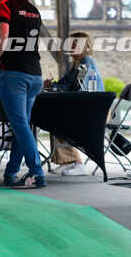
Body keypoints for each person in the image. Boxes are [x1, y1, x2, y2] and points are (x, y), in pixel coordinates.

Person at [0, 0, 45, 188]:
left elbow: (2, 33)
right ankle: (11, 172)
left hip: (14, 74)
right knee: (22, 126)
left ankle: (36, 173)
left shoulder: (3, 7)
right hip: (35, 74)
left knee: (20, 125)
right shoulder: (33, 9)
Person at [44, 31, 104, 176]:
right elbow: (65, 85)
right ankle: (68, 162)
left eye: (72, 44)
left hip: (93, 111)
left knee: (56, 120)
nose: (69, 47)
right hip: (84, 107)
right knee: (53, 118)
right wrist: (51, 85)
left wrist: (54, 88)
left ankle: (77, 163)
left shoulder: (86, 63)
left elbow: (79, 88)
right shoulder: (75, 64)